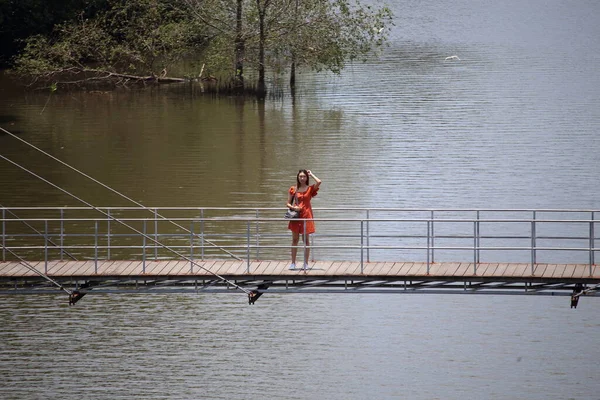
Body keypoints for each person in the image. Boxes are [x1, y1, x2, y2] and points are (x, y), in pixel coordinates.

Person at [286, 169, 322, 270]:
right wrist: (294, 208)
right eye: (300, 176)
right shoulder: (293, 189)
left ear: (307, 178)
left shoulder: (310, 189)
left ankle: (305, 263)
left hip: (306, 216)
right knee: (294, 240)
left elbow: (319, 182)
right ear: (298, 177)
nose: (302, 178)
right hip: (296, 217)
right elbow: (288, 203)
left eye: (304, 176)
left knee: (306, 240)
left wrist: (311, 174)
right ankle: (293, 263)